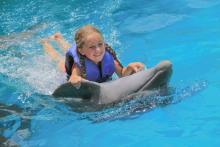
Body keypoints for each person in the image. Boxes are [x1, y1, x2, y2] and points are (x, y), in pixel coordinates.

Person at [41, 25, 145, 87]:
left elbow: (122, 74)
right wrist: (76, 79)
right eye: (92, 47)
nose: (98, 50)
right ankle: (45, 43)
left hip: (81, 50)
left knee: (70, 47)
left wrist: (130, 67)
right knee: (57, 58)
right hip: (67, 65)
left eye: (100, 44)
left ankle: (58, 38)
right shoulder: (79, 65)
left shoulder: (108, 57)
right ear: (82, 51)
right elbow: (74, 77)